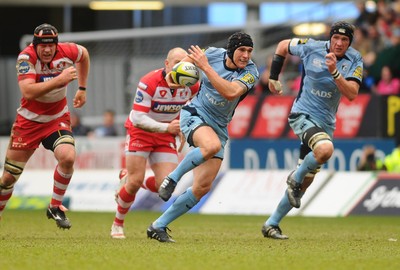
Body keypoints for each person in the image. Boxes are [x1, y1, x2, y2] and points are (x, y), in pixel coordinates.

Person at [146, 32, 259, 243]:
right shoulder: (214, 53)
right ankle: (172, 179)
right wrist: (175, 75)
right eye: (242, 50)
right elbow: (188, 62)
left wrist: (205, 67)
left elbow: (231, 93)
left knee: (202, 187)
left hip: (219, 125)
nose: (246, 55)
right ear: (231, 50)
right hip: (195, 113)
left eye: (249, 51)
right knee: (210, 146)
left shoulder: (251, 72)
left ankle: (158, 225)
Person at [262, 21, 363, 240]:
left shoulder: (355, 59)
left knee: (305, 182)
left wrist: (335, 72)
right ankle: (294, 177)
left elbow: (352, 94)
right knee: (325, 149)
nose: (339, 43)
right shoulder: (310, 46)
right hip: (302, 114)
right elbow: (281, 46)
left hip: (326, 123)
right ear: (330, 37)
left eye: (344, 40)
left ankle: (271, 224)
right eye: (336, 38)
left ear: (349, 43)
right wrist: (273, 77)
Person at [0, 23, 90, 229]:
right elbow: (28, 92)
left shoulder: (68, 51)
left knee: (68, 157)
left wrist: (82, 88)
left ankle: (55, 206)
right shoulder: (26, 58)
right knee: (7, 178)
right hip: (28, 122)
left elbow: (84, 55)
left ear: (57, 45)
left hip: (56, 119)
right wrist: (60, 79)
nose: (47, 50)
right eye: (43, 46)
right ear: (35, 46)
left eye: (51, 45)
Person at [110, 47, 199, 239]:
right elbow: (139, 118)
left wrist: (184, 128)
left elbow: (191, 110)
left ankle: (131, 177)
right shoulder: (149, 82)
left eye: (185, 62)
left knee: (165, 186)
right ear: (167, 64)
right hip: (141, 132)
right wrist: (167, 128)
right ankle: (118, 224)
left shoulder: (191, 85)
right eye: (176, 62)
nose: (181, 66)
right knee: (132, 185)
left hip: (165, 135)